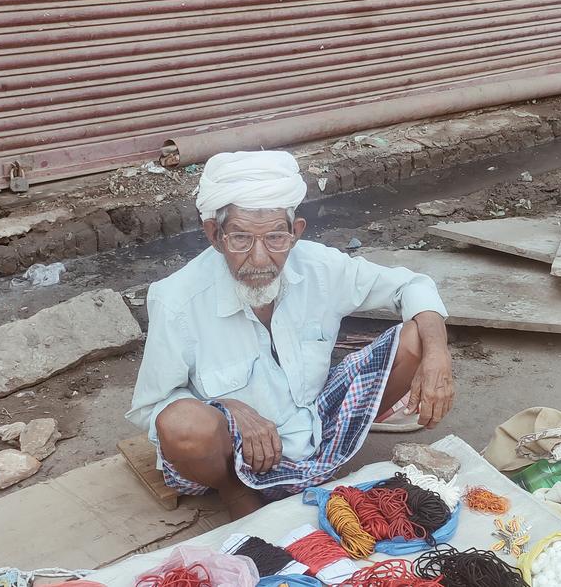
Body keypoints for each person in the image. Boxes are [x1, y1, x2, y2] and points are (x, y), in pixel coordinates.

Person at [126, 150, 455, 518]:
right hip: (235, 451)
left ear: (295, 232)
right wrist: (227, 408)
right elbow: (150, 409)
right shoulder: (176, 299)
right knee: (182, 423)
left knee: (417, 338)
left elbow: (411, 286)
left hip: (316, 421)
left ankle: (327, 460)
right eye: (241, 239)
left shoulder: (319, 266)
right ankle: (236, 494)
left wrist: (438, 356)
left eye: (275, 238)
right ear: (214, 236)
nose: (261, 258)